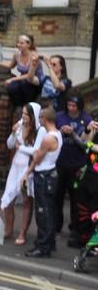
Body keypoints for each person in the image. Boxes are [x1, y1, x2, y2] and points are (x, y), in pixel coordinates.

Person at [22, 107, 62, 258]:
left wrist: (27, 173)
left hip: (44, 177)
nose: (39, 120)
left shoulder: (48, 139)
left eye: (40, 117)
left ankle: (42, 246)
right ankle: (50, 243)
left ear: (45, 118)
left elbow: (37, 158)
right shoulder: (58, 134)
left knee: (42, 212)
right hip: (51, 174)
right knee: (49, 211)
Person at [0, 103, 39, 246]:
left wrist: (21, 147)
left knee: (26, 201)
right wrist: (12, 132)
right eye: (23, 113)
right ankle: (8, 229)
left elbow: (36, 151)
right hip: (15, 166)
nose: (24, 116)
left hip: (28, 168)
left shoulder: (38, 131)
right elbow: (10, 145)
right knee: (8, 198)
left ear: (33, 116)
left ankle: (22, 233)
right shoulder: (19, 125)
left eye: (27, 114)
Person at [55, 92, 92, 240]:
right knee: (57, 196)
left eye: (74, 106)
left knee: (75, 199)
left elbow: (85, 145)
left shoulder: (86, 119)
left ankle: (75, 228)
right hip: (60, 162)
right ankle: (56, 225)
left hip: (77, 165)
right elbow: (52, 135)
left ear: (79, 106)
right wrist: (61, 131)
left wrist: (72, 134)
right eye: (69, 105)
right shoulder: (59, 116)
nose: (71, 108)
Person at [0, 34, 41, 108]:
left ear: (28, 44)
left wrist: (12, 79)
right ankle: (19, 105)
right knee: (11, 87)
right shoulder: (17, 54)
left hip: (34, 79)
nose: (18, 45)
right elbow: (11, 65)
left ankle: (29, 106)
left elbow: (29, 75)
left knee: (24, 84)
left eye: (21, 43)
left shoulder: (34, 56)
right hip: (22, 79)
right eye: (18, 42)